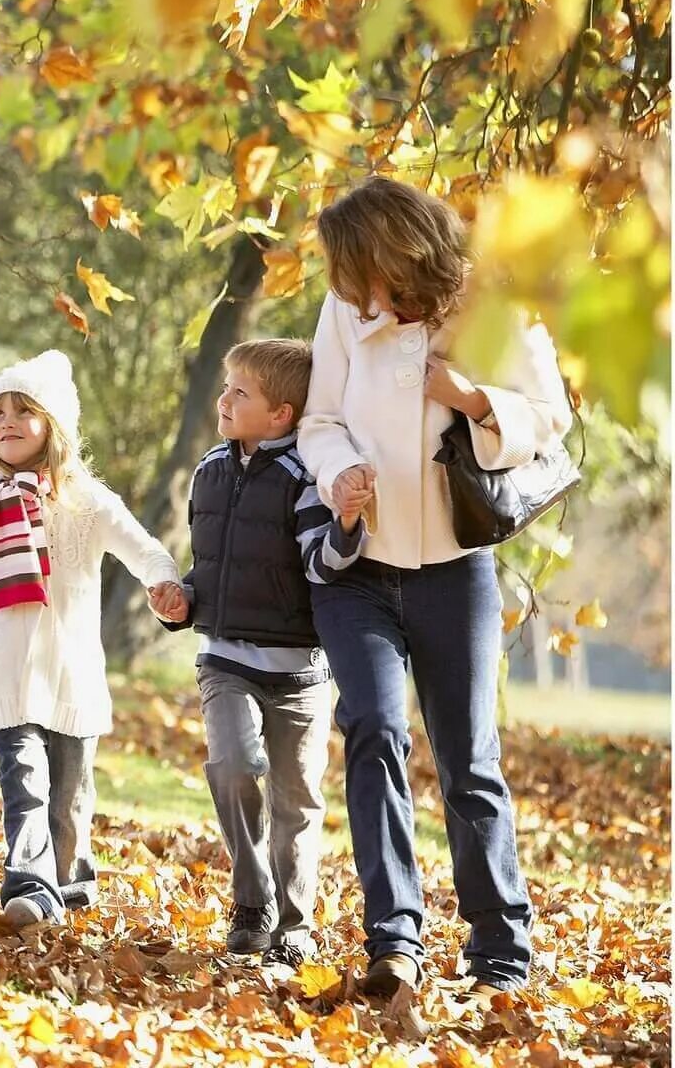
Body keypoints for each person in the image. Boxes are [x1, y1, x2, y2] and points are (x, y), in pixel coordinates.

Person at [299, 175, 573, 1000]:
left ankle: (499, 950)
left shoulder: (494, 304)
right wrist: (341, 473)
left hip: (456, 568)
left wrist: (469, 396)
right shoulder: (346, 312)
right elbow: (317, 419)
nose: (360, 299)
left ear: (404, 251)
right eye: (348, 286)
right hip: (359, 568)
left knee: (469, 762)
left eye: (368, 278)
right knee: (375, 730)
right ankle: (396, 941)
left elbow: (549, 417)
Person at [0, 350, 181, 924]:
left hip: (70, 673)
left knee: (69, 798)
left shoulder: (88, 500)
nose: (5, 421)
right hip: (9, 672)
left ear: (55, 427)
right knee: (25, 781)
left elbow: (143, 547)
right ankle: (30, 885)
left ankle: (68, 887)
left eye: (23, 410)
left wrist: (164, 582)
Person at [157, 338, 367, 968]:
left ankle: (293, 927)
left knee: (296, 802)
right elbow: (213, 569)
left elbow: (323, 566)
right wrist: (184, 600)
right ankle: (252, 902)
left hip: (300, 673)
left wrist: (348, 524)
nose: (223, 400)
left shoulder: (303, 481)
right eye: (225, 388)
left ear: (280, 414)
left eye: (238, 392)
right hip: (225, 660)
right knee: (232, 766)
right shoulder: (208, 472)